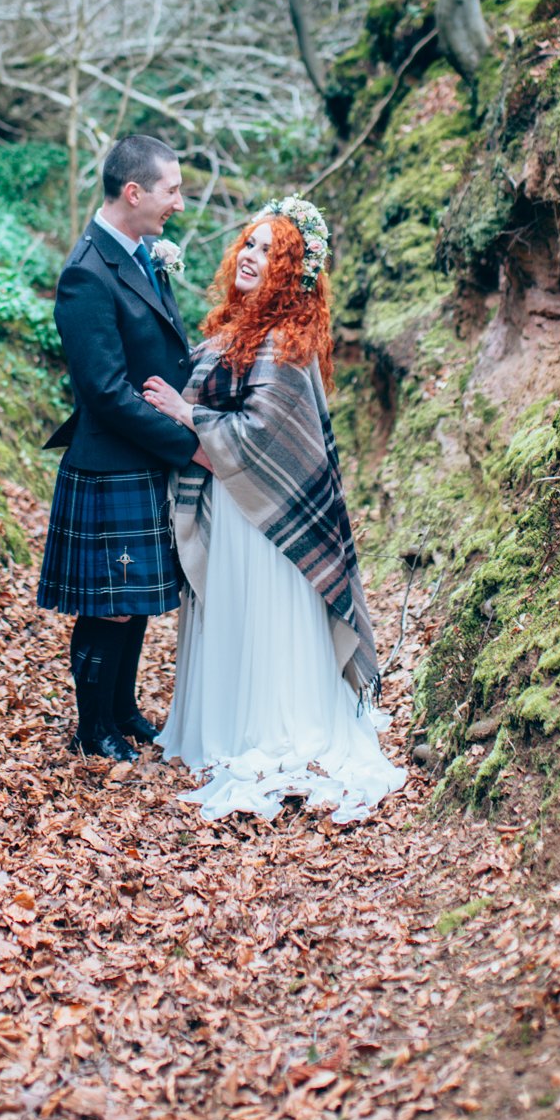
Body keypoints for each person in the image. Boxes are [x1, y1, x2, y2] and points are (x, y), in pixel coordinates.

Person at [143, 197, 406, 824]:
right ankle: (224, 730)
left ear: (291, 271)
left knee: (262, 619)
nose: (253, 257)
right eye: (250, 245)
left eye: (270, 250)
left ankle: (275, 734)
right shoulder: (230, 331)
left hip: (269, 523)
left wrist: (187, 417)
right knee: (232, 617)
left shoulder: (285, 341)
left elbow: (265, 438)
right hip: (233, 510)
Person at [38, 133, 207, 765]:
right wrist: (188, 444)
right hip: (112, 459)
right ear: (133, 192)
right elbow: (105, 392)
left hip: (140, 455)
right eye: (173, 190)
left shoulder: (139, 252)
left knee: (130, 600)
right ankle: (93, 726)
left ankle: (123, 708)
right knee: (107, 605)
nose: (180, 204)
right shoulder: (86, 274)